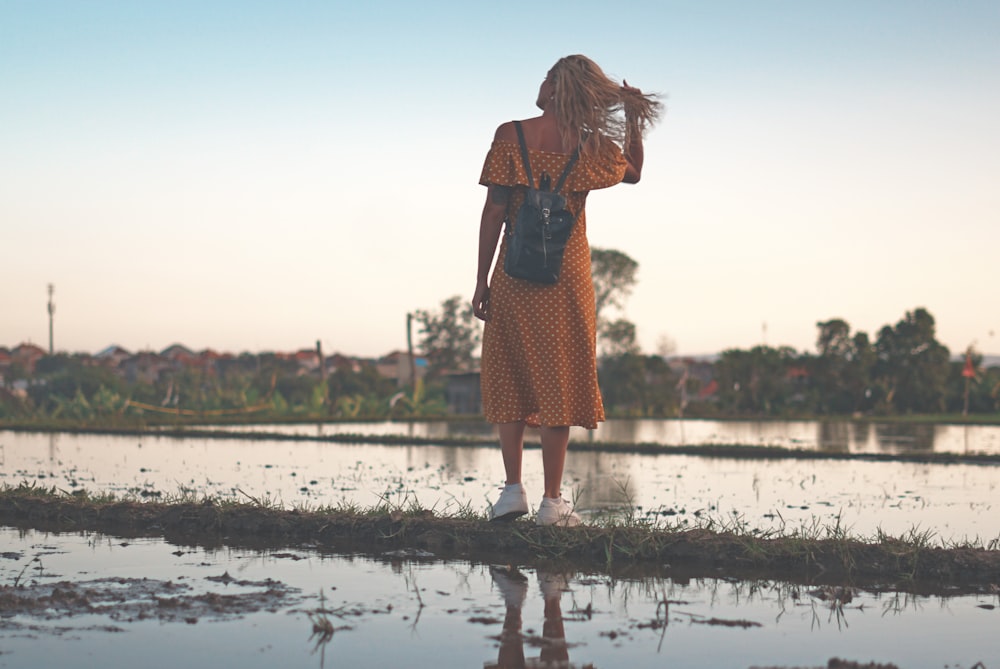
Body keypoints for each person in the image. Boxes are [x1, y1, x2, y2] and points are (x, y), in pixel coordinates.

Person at [473, 55, 662, 526]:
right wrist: (634, 121)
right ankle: (552, 503)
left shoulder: (509, 134)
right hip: (566, 279)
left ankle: (512, 491)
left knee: (510, 374)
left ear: (557, 86)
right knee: (559, 379)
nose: (538, 83)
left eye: (545, 76)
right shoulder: (592, 147)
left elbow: (495, 211)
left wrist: (481, 280)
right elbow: (635, 172)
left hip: (514, 276)